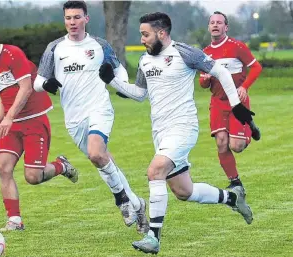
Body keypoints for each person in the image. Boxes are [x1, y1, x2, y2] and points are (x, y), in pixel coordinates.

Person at [98, 12, 255, 254]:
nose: (142, 39)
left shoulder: (185, 52)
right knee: (184, 191)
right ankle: (233, 199)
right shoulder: (145, 61)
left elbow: (220, 72)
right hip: (160, 132)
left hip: (183, 128)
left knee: (155, 171)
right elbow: (140, 94)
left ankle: (153, 237)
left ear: (161, 33)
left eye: (145, 34)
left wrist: (236, 105)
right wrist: (112, 81)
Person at [33, 0, 149, 233]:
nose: (72, 22)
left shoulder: (99, 45)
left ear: (86, 18)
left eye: (77, 17)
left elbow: (119, 69)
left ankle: (122, 200)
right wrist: (47, 83)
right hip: (73, 118)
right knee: (103, 161)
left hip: (99, 108)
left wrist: (119, 83)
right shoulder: (54, 48)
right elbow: (37, 82)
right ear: (64, 20)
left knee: (97, 153)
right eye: (68, 18)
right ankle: (137, 204)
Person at [0, 20, 79, 232]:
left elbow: (26, 88)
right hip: (11, 124)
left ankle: (61, 166)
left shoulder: (13, 54)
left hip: (34, 120)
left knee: (33, 177)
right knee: (3, 168)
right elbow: (5, 95)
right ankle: (14, 220)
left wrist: (9, 117)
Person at [200, 11, 263, 191]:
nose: (215, 25)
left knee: (236, 146)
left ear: (226, 27)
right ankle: (235, 182)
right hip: (218, 103)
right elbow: (203, 82)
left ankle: (249, 126)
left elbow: (256, 68)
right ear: (209, 27)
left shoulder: (237, 47)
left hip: (237, 102)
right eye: (212, 22)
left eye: (219, 22)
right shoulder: (205, 53)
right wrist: (204, 80)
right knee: (221, 142)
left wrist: (244, 87)